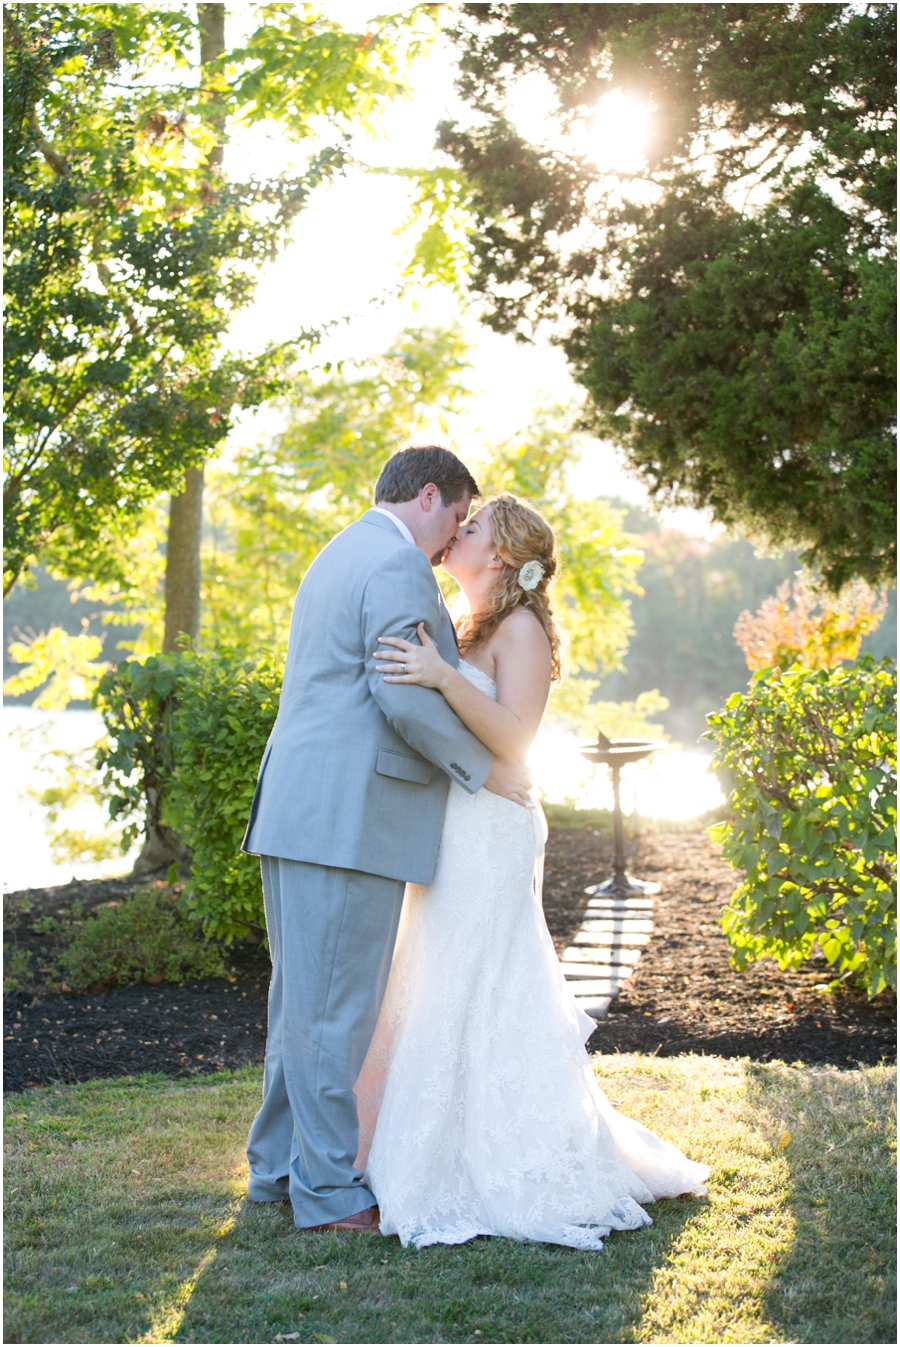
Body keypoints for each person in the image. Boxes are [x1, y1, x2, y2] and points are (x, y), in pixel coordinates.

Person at [357, 492, 709, 1250]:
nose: (458, 530)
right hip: (456, 821)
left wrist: (441, 677)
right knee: (436, 975)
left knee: (479, 977)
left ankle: (489, 1162)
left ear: (502, 557)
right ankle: (417, 1147)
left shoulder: (517, 629)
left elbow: (516, 739)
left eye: (473, 525)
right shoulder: (463, 623)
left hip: (494, 832)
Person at [241, 447, 532, 1232]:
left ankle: (275, 1169)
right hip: (348, 818)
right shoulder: (399, 566)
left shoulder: (342, 549)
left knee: (300, 1004)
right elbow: (400, 697)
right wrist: (485, 768)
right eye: (458, 520)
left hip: (301, 810)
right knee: (336, 1009)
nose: (455, 540)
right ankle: (330, 1192)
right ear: (429, 495)